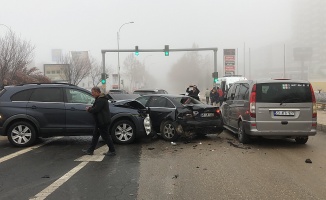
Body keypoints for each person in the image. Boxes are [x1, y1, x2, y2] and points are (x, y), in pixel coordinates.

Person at [82, 86, 116, 156]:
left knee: (106, 136)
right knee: (95, 136)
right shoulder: (99, 99)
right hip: (100, 121)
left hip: (103, 122)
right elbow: (96, 107)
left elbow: (96, 109)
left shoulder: (101, 100)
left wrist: (89, 109)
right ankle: (90, 150)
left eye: (93, 92)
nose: (92, 94)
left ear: (97, 92)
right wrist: (91, 108)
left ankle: (112, 151)